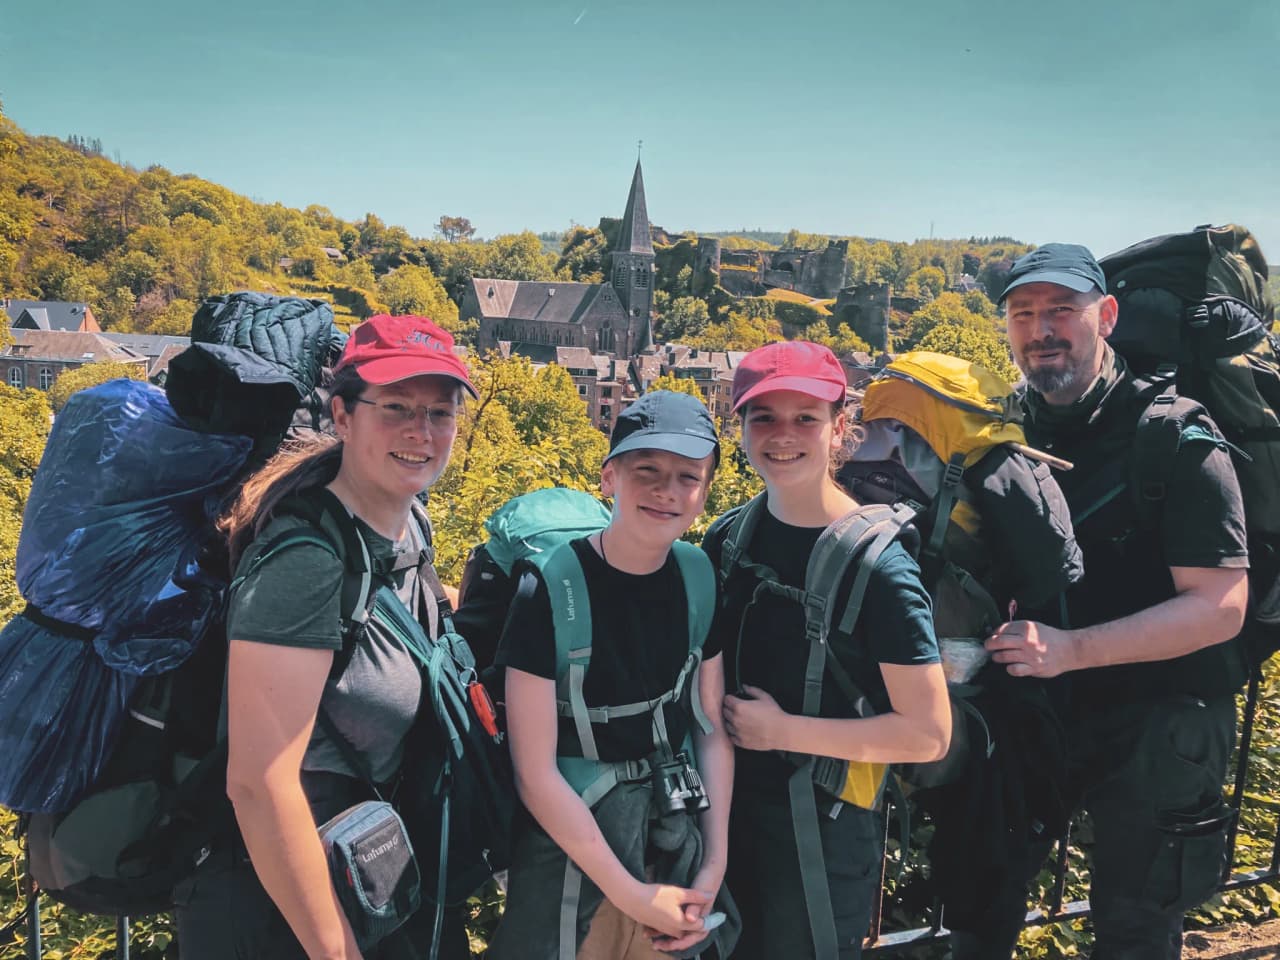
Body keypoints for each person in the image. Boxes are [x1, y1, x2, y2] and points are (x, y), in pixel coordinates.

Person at [173, 314, 479, 959]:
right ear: (342, 415)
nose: (420, 432)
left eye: (440, 412)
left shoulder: (406, 525)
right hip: (283, 908)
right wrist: (335, 950)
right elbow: (258, 782)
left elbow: (409, 623)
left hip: (372, 868)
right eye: (395, 406)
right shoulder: (307, 560)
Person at [975, 244, 1250, 959]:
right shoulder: (1005, 429)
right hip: (1043, 716)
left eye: (1062, 310)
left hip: (1159, 721)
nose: (1042, 329)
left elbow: (1221, 603)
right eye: (1024, 314)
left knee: (1133, 930)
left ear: (1107, 315)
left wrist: (1071, 651)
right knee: (983, 904)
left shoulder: (1176, 436)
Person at [701, 341, 952, 960]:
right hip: (725, 826)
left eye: (805, 418)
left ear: (841, 428)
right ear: (740, 428)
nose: (782, 435)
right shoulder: (728, 538)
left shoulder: (879, 568)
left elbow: (927, 734)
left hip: (821, 838)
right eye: (763, 417)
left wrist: (784, 730)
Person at [488, 390, 737, 960]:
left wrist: (714, 862)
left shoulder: (699, 577)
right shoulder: (549, 587)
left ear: (705, 490)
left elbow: (709, 726)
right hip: (578, 847)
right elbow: (535, 772)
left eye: (687, 477)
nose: (666, 490)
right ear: (609, 477)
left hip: (670, 838)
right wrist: (631, 894)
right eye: (646, 470)